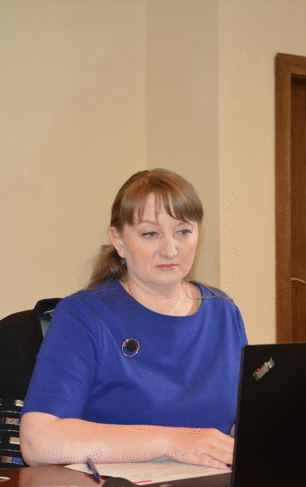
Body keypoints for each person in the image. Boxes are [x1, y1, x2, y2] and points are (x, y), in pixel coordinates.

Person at [20, 168, 248, 470]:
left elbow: (245, 421)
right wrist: (171, 442)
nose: (170, 250)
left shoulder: (224, 312)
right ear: (119, 241)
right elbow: (38, 442)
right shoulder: (82, 316)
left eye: (183, 232)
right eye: (150, 234)